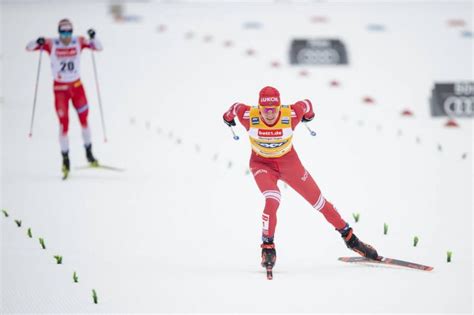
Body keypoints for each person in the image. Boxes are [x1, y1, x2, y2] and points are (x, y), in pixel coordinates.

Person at [223, 86, 379, 273]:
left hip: (289, 164)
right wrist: (228, 117)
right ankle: (268, 247)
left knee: (319, 202)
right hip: (261, 165)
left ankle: (351, 239)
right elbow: (234, 108)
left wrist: (309, 115)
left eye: (274, 109)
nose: (270, 114)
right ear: (259, 108)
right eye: (266, 110)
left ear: (280, 107)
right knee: (273, 198)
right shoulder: (248, 115)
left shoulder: (291, 114)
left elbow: (306, 105)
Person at [26, 18, 103, 178]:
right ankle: (65, 159)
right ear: (59, 32)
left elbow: (98, 47)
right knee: (64, 124)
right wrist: (37, 41)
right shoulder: (51, 43)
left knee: (84, 120)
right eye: (63, 32)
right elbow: (29, 47)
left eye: (69, 32)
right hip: (60, 89)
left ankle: (89, 153)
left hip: (76, 88)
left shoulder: (79, 41)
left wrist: (93, 37)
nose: (66, 36)